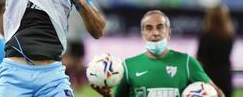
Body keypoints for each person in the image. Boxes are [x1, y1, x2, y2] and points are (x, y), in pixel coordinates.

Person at [92, 10, 225, 97]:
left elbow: (218, 94)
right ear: (143, 34)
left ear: (169, 32)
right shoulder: (127, 66)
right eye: (149, 28)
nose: (155, 33)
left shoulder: (187, 63)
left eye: (160, 27)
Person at [197, 5, 235, 97]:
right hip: (225, 77)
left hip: (209, 78)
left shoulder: (206, 36)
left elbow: (200, 56)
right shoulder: (229, 36)